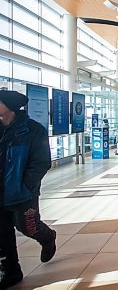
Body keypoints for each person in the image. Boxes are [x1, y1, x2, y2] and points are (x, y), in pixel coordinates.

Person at [0, 90, 56, 289]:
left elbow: (41, 162)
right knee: (2, 233)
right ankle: (10, 271)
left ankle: (48, 237)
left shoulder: (33, 130)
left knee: (28, 226)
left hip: (22, 192)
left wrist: (26, 186)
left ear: (10, 107)